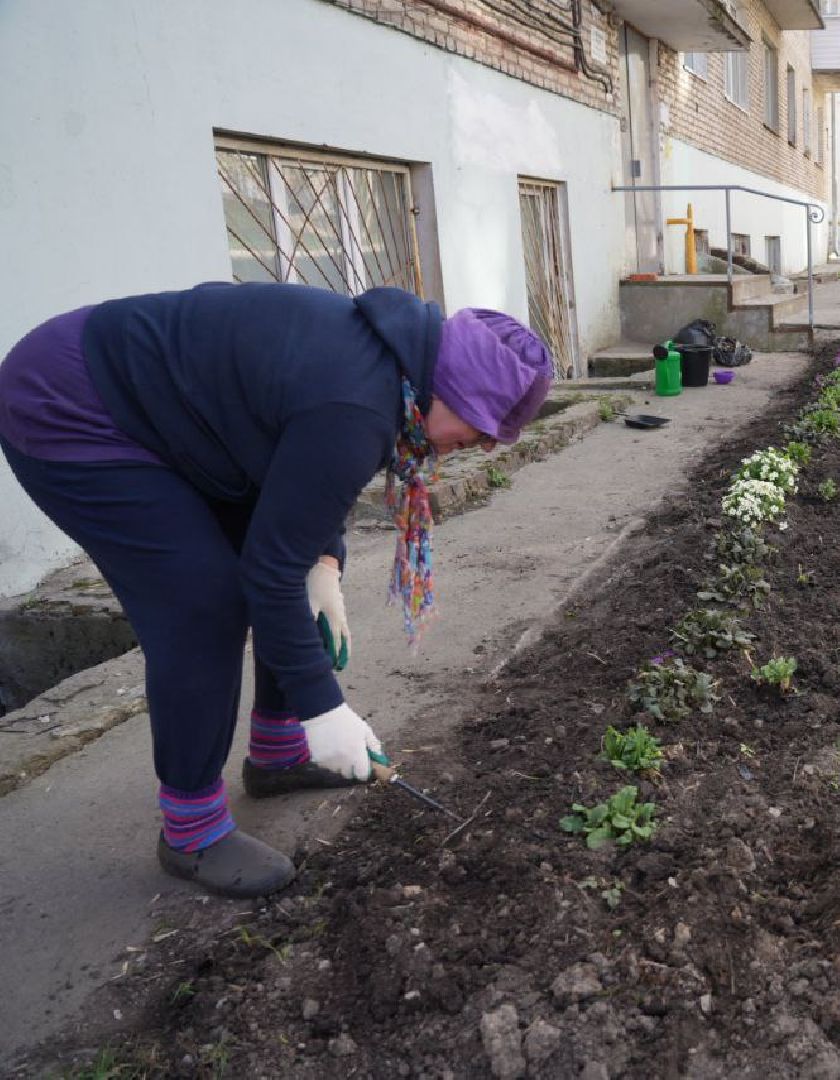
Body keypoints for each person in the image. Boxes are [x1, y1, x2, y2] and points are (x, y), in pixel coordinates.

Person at [0, 283, 553, 898]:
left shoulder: (394, 373)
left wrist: (325, 561)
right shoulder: (361, 406)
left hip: (188, 422)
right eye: (480, 428)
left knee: (287, 574)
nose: (479, 446)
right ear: (450, 386)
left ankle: (278, 752)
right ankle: (191, 830)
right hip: (73, 405)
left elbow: (299, 485)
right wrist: (325, 706)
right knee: (203, 604)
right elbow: (274, 560)